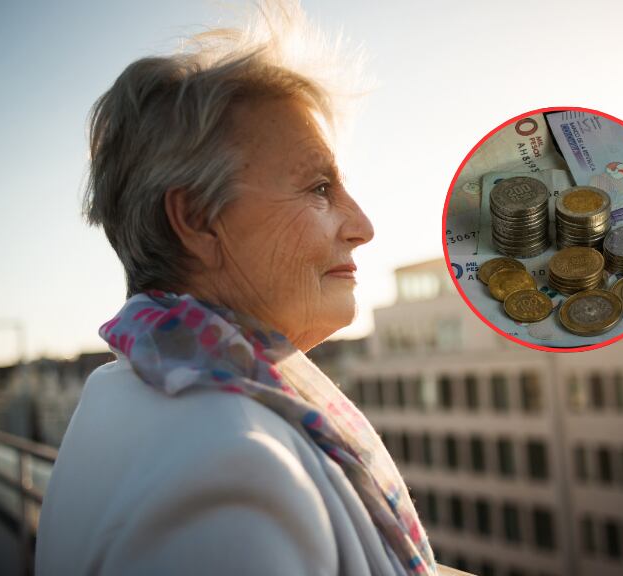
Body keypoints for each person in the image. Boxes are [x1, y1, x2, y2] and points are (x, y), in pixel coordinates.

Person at [34, 2, 440, 575]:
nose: (362, 226)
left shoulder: (116, 389)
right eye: (319, 187)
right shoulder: (235, 470)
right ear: (198, 218)